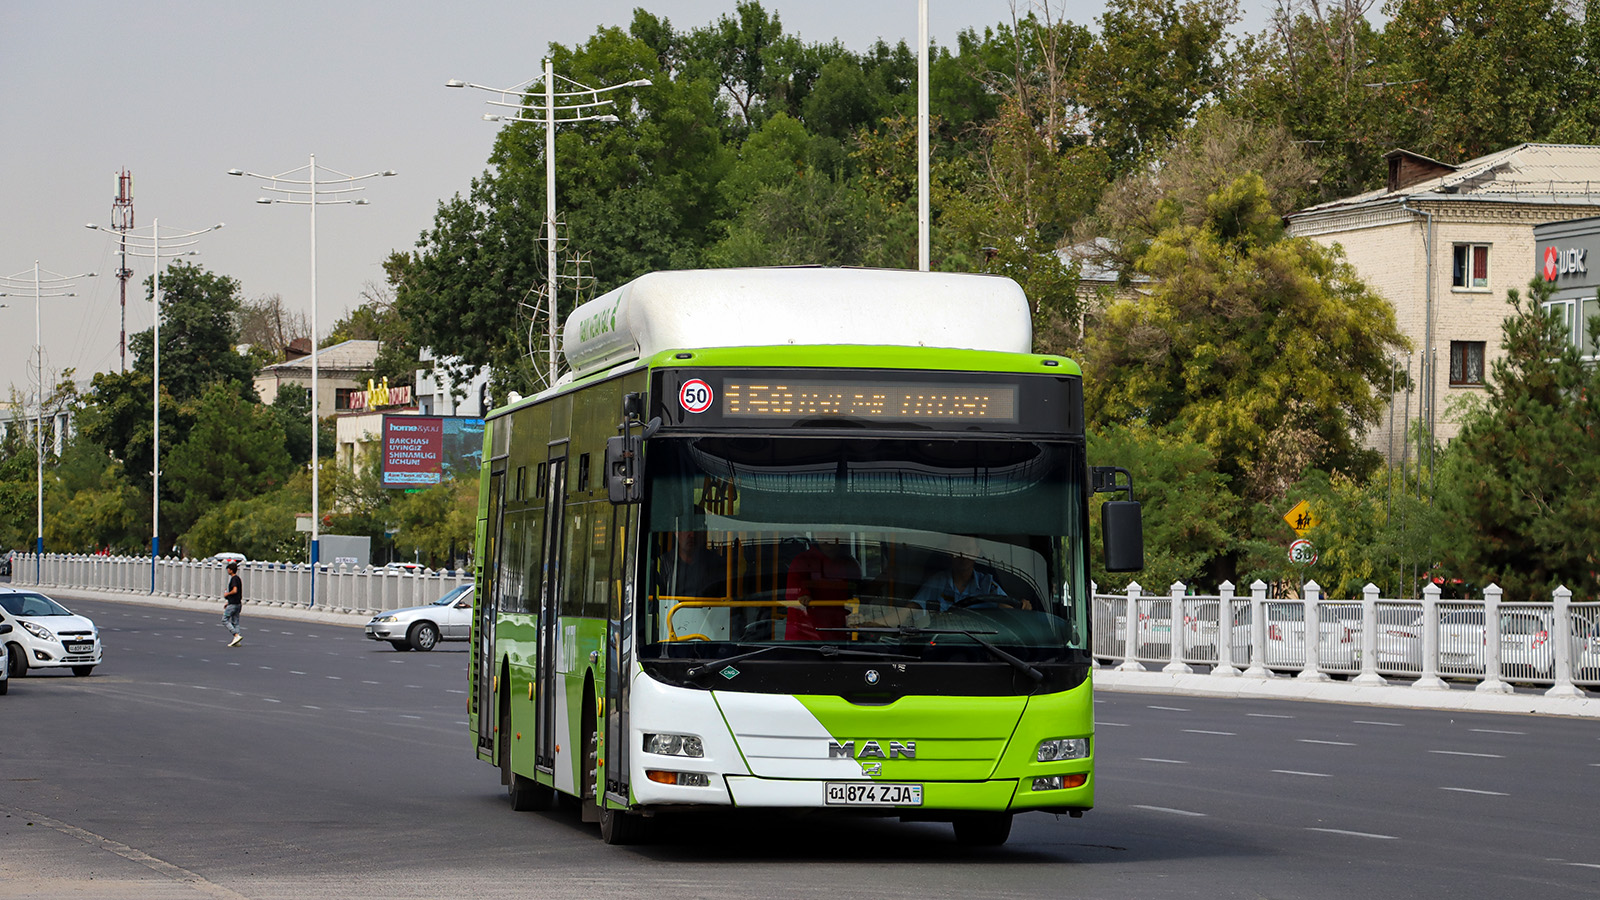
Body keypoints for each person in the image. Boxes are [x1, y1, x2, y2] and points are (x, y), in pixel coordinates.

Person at [784, 532, 861, 640]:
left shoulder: (850, 564)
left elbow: (860, 594)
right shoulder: (801, 561)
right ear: (816, 536)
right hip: (804, 636)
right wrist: (803, 595)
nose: (827, 538)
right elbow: (792, 593)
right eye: (823, 534)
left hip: (841, 632)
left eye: (832, 534)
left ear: (841, 537)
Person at [913, 537, 1012, 613]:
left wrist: (1024, 609)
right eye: (957, 549)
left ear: (977, 552)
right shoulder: (937, 582)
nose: (963, 555)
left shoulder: (988, 586)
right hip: (943, 638)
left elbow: (1009, 612)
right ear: (949, 551)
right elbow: (911, 609)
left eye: (968, 549)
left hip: (980, 639)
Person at [222, 561, 243, 647]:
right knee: (235, 622)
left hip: (233, 604)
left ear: (231, 570)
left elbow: (235, 590)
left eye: (228, 569)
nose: (227, 571)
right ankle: (237, 641)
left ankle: (236, 635)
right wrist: (228, 602)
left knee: (224, 619)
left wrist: (227, 594)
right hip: (237, 603)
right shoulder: (238, 578)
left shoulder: (234, 579)